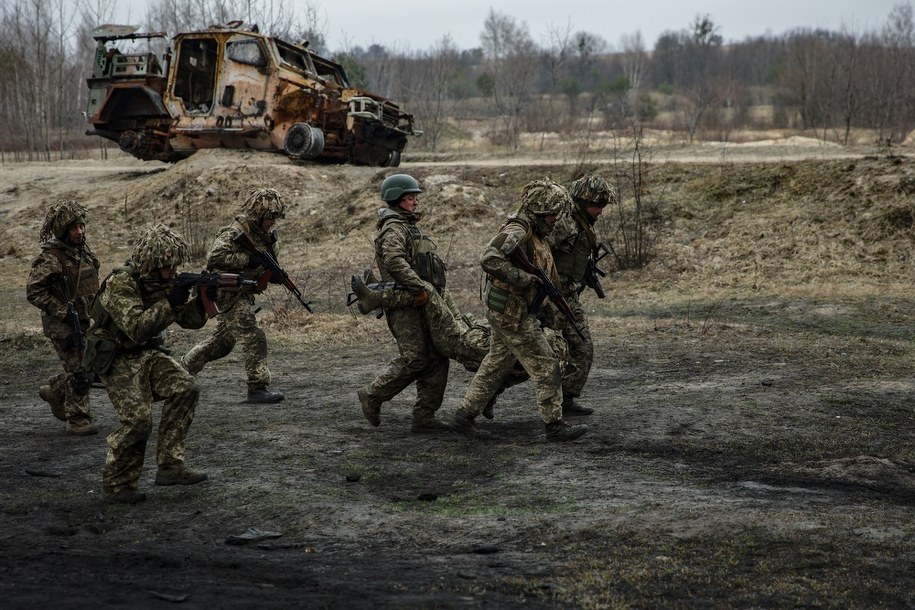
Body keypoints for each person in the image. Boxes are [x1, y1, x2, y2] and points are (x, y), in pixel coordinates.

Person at [452, 179, 588, 442]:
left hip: (509, 309)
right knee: (546, 364)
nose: (556, 219)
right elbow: (488, 258)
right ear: (540, 210)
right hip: (512, 313)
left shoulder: (535, 232)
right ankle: (554, 425)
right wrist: (524, 278)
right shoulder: (518, 230)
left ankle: (464, 416)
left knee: (496, 364)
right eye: (553, 213)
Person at [83, 224, 209, 505]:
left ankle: (170, 466)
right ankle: (118, 484)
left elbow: (190, 321)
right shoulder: (121, 283)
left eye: (175, 266)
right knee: (139, 422)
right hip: (116, 357)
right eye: (167, 266)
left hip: (147, 353)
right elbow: (137, 329)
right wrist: (171, 301)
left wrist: (202, 302)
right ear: (152, 264)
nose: (173, 271)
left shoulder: (164, 282)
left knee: (186, 387)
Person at [355, 173, 452, 433]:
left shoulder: (408, 226)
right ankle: (372, 394)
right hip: (404, 304)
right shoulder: (394, 228)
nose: (415, 202)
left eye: (415, 197)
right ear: (396, 199)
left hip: (419, 302)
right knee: (416, 359)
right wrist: (420, 287)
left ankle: (424, 417)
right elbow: (394, 260)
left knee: (437, 358)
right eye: (410, 198)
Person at [182, 188, 287, 404]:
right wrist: (247, 260)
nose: (273, 222)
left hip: (243, 292)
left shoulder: (266, 237)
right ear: (258, 215)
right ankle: (257, 387)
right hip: (227, 292)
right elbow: (215, 257)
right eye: (269, 217)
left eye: (275, 217)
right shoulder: (234, 233)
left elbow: (264, 265)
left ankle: (180, 371)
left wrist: (272, 275)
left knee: (221, 344)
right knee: (253, 335)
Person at [26, 199, 101, 436]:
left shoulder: (82, 252)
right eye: (74, 228)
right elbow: (34, 291)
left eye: (81, 226)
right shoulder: (52, 258)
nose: (80, 231)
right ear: (63, 231)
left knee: (87, 366)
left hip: (84, 319)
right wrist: (62, 311)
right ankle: (78, 420)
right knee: (79, 369)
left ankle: (55, 391)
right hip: (62, 325)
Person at [549, 174, 616, 416]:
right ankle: (485, 398)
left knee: (582, 348)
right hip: (547, 297)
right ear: (583, 201)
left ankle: (566, 399)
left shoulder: (583, 224)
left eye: (603, 205)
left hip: (568, 297)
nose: (601, 210)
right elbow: (537, 252)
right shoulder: (563, 224)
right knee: (525, 354)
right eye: (597, 205)